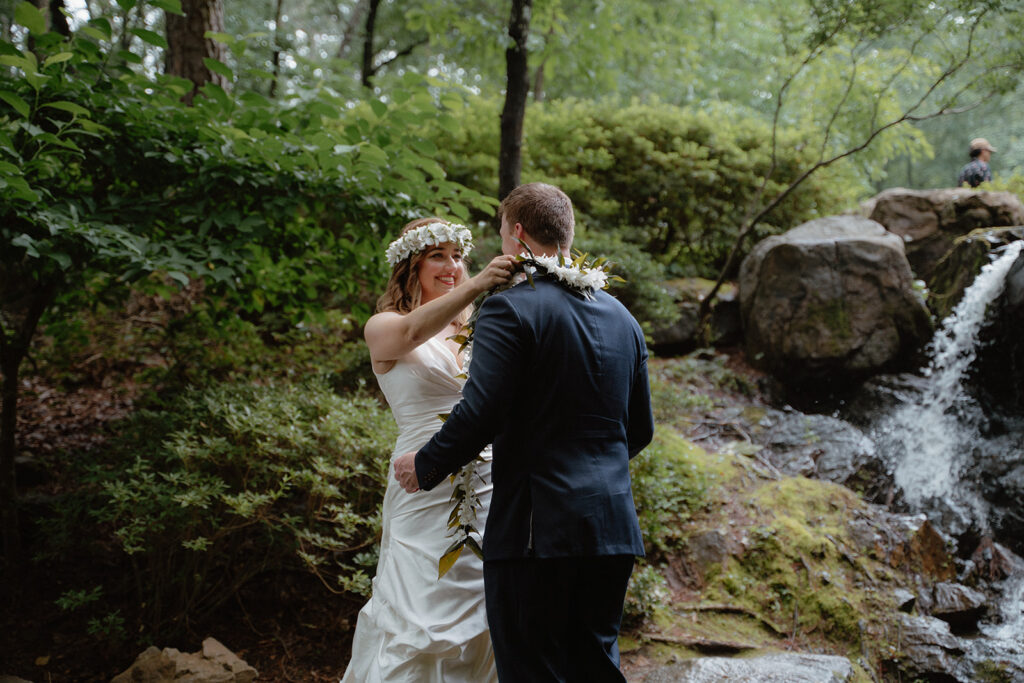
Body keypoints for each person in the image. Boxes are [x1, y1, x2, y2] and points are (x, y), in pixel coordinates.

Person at [394, 183, 655, 681]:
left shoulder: (509, 308)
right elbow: (638, 430)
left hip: (538, 533)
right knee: (596, 668)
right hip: (613, 529)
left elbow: (482, 412)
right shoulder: (623, 317)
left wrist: (424, 464)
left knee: (532, 671)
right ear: (566, 234)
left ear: (515, 233)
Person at [342, 217, 517, 682]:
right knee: (416, 615)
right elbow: (412, 336)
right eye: (437, 256)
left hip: (487, 485)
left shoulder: (477, 331)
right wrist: (479, 283)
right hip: (420, 481)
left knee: (487, 615)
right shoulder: (384, 326)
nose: (452, 266)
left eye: (458, 257)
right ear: (410, 266)